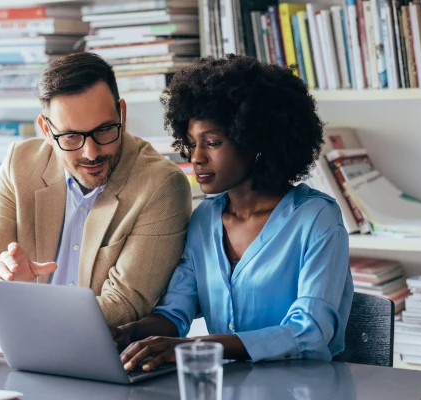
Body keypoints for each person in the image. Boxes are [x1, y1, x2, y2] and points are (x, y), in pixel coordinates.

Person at [112, 55, 354, 372]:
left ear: (254, 140)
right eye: (190, 143)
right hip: (227, 387)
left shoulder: (316, 219)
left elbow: (308, 332)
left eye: (212, 142)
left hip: (304, 388)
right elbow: (175, 312)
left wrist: (193, 348)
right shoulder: (203, 220)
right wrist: (127, 333)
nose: (195, 157)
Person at [0, 52, 192, 350]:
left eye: (104, 130)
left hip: (107, 360)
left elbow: (125, 303)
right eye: (71, 136)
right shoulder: (19, 164)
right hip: (26, 355)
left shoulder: (161, 185)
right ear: (47, 130)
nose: (91, 152)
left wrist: (15, 319)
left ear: (121, 114)